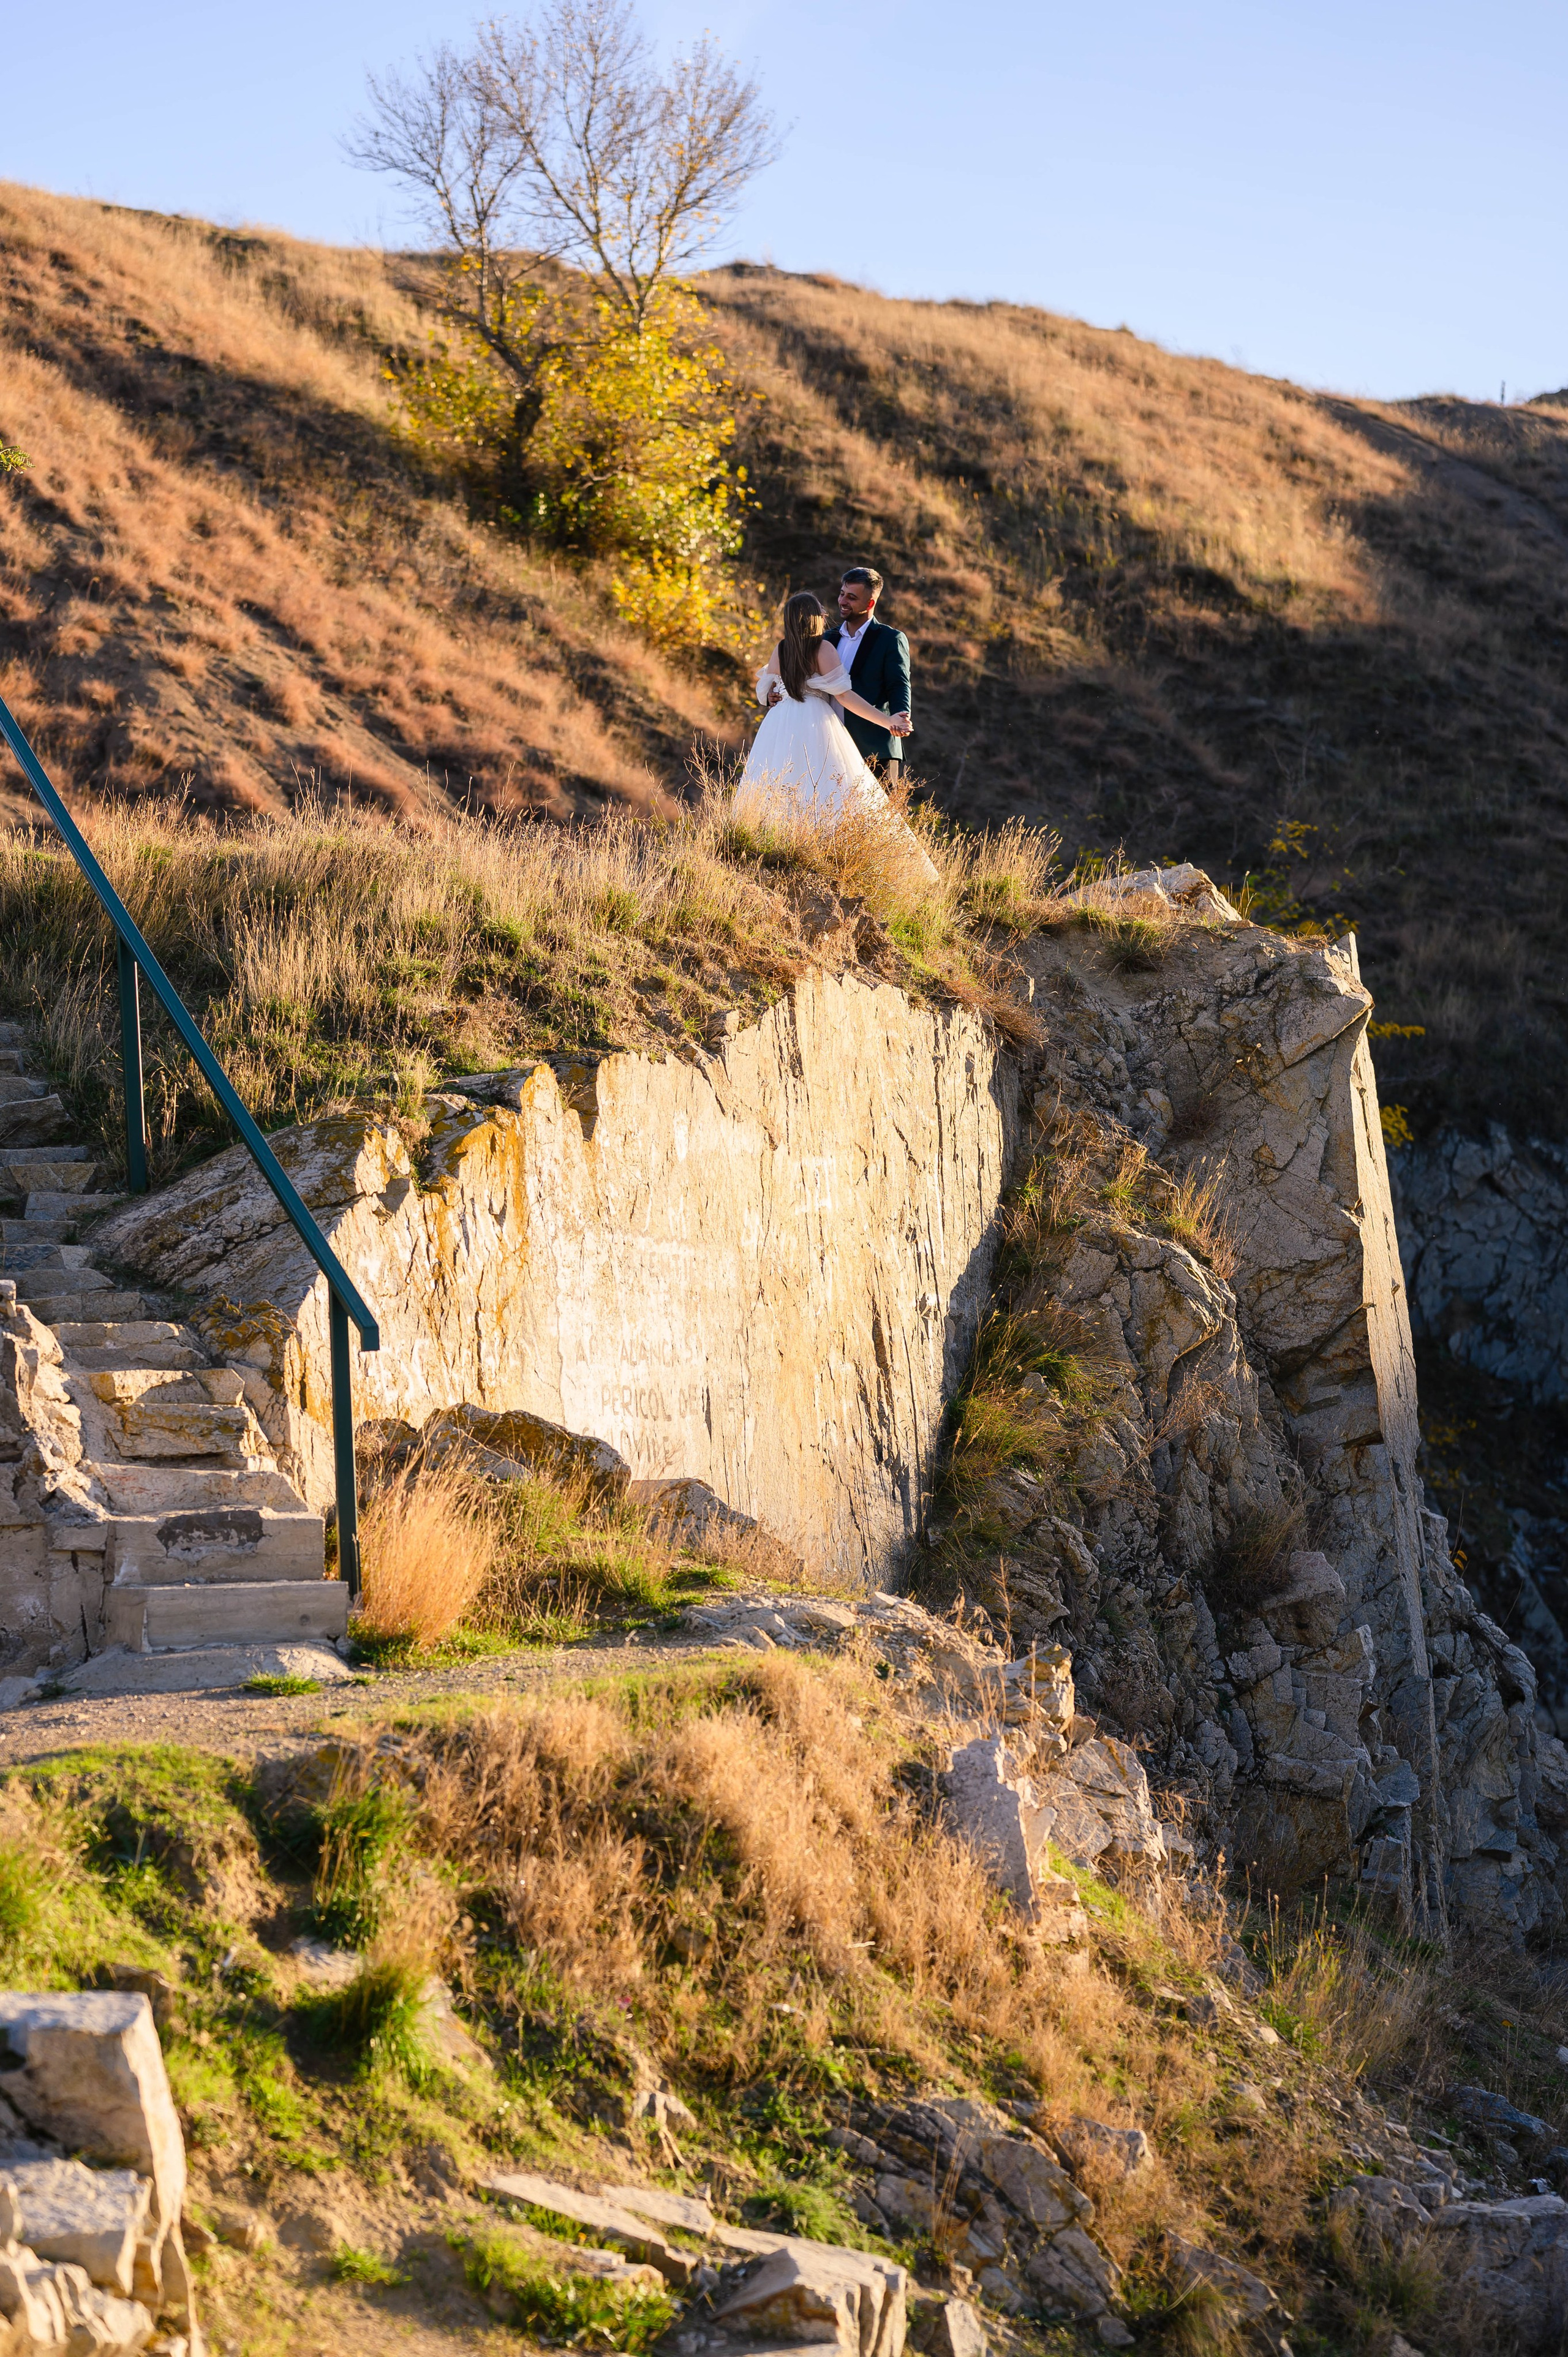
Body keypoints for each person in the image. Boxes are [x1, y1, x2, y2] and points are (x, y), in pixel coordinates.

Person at [733, 592, 934, 878]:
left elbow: (764, 690)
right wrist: (886, 720)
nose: (826, 616)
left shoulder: (781, 648)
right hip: (814, 720)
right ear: (813, 618)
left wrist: (774, 697)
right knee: (827, 787)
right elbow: (846, 697)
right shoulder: (823, 648)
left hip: (779, 724)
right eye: (820, 612)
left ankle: (774, 855)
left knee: (779, 784)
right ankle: (828, 859)